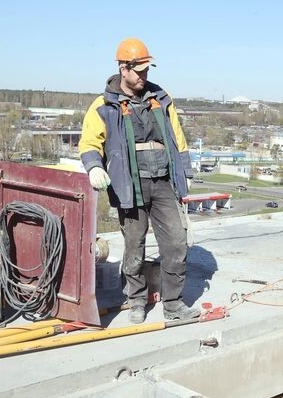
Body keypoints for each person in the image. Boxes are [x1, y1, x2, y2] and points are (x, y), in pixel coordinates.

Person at [79, 38, 199, 324]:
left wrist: (185, 171)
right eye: (139, 70)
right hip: (129, 185)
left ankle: (173, 304)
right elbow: (88, 142)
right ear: (123, 68)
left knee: (176, 243)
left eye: (147, 70)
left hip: (163, 182)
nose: (145, 76)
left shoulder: (161, 98)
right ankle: (136, 301)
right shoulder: (104, 105)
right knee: (134, 246)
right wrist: (94, 166)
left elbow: (177, 137)